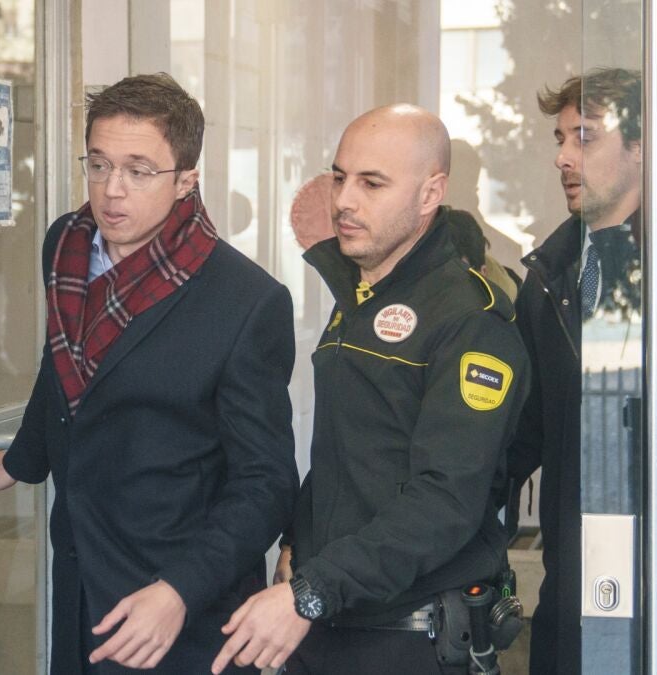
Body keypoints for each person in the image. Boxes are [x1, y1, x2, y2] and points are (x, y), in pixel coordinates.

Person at [0, 73, 299, 673]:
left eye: (139, 171)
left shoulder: (246, 301)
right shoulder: (65, 244)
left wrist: (180, 590)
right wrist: (23, 458)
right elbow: (65, 361)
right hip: (81, 577)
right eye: (99, 164)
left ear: (186, 180)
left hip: (183, 606)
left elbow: (266, 484)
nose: (112, 190)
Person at [210, 104, 529, 674]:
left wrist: (313, 591)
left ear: (430, 194)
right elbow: (348, 455)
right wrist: (297, 543)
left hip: (408, 637)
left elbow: (446, 501)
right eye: (340, 178)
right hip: (328, 619)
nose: (344, 201)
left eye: (372, 183)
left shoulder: (469, 320)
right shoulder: (361, 298)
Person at [508, 66, 657, 674]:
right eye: (560, 139)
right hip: (574, 594)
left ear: (642, 147)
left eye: (585, 137)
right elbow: (519, 439)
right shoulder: (549, 280)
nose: (563, 157)